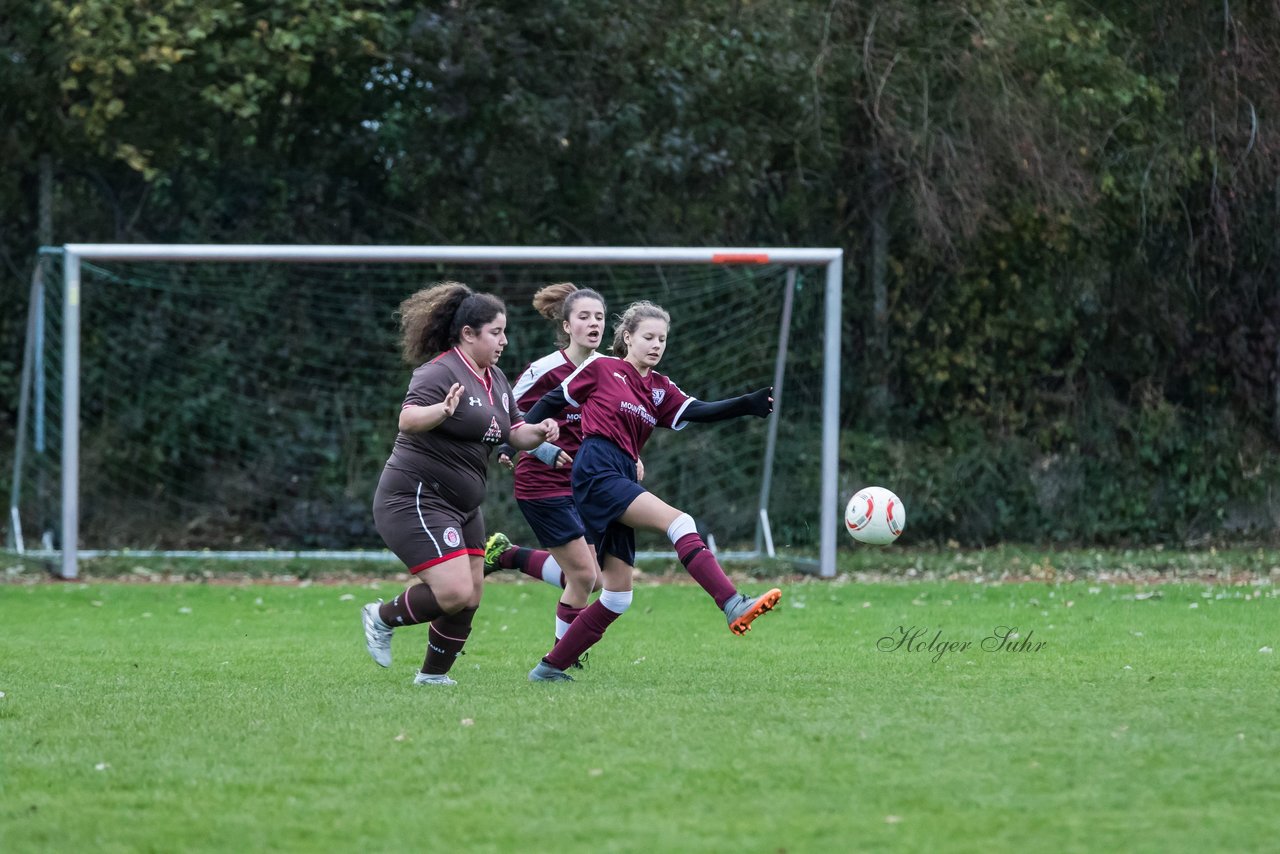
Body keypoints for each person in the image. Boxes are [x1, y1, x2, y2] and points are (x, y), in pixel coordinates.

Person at [520, 300, 781, 682]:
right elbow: (550, 401)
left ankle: (549, 668)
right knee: (679, 522)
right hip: (596, 470)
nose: (657, 345)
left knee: (617, 597)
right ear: (627, 338)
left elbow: (700, 410)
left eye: (662, 339)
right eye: (648, 337)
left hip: (621, 472)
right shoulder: (601, 368)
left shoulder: (660, 388)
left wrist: (748, 404)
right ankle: (731, 603)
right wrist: (521, 437)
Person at [360, 281, 559, 685]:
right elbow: (408, 420)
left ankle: (432, 679)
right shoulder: (439, 371)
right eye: (496, 332)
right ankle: (380, 617)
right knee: (452, 591)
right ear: (468, 333)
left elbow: (514, 432)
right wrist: (441, 410)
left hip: (464, 506)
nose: (504, 340)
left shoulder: (496, 379)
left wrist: (539, 431)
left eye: (505, 331)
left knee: (471, 595)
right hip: (416, 497)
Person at [482, 283, 623, 653]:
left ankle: (507, 555)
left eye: (599, 317)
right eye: (584, 317)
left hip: (584, 485)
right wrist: (538, 449)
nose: (594, 324)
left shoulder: (610, 371)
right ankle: (562, 657)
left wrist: (631, 456)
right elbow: (507, 416)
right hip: (541, 485)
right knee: (584, 575)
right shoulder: (545, 370)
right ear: (566, 326)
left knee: (590, 580)